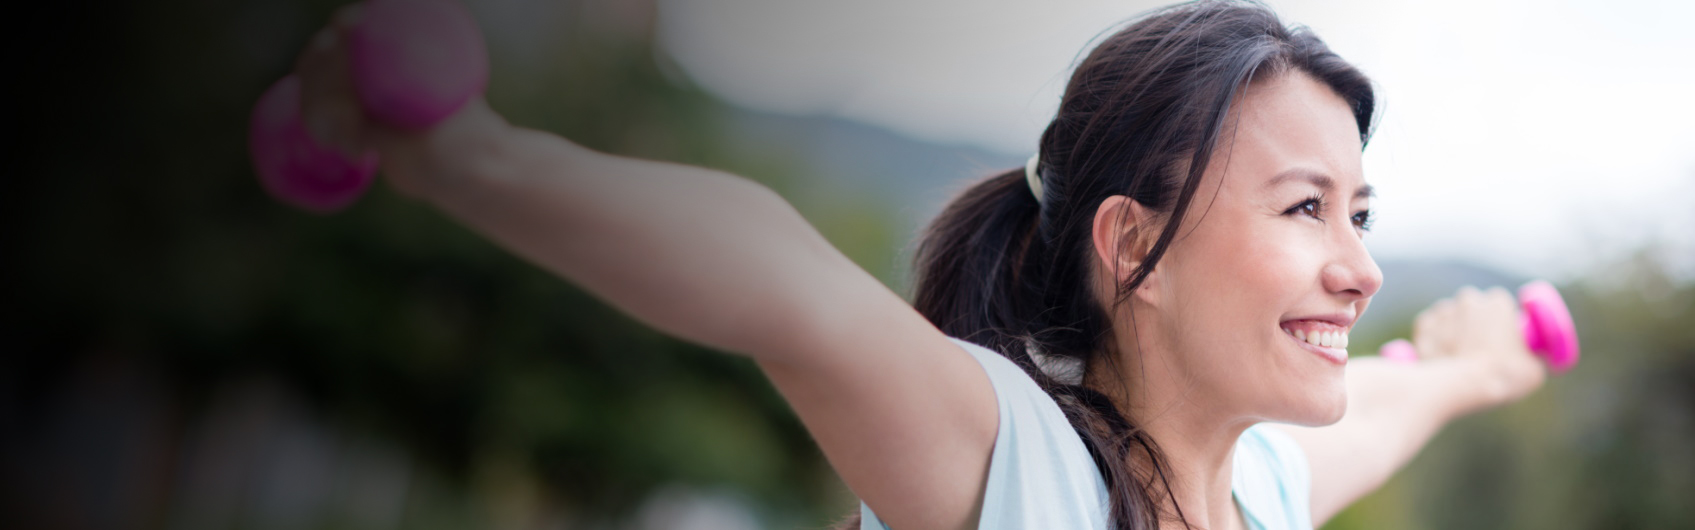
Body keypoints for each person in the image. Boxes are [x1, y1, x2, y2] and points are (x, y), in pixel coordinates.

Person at [290, 0, 1550, 528]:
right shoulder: (1008, 458)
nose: (1358, 267)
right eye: (1305, 208)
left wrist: (1470, 370)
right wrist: (464, 155)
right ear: (1133, 248)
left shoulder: (1259, 488)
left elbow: (1385, 401)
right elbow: (780, 279)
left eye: (1363, 215)